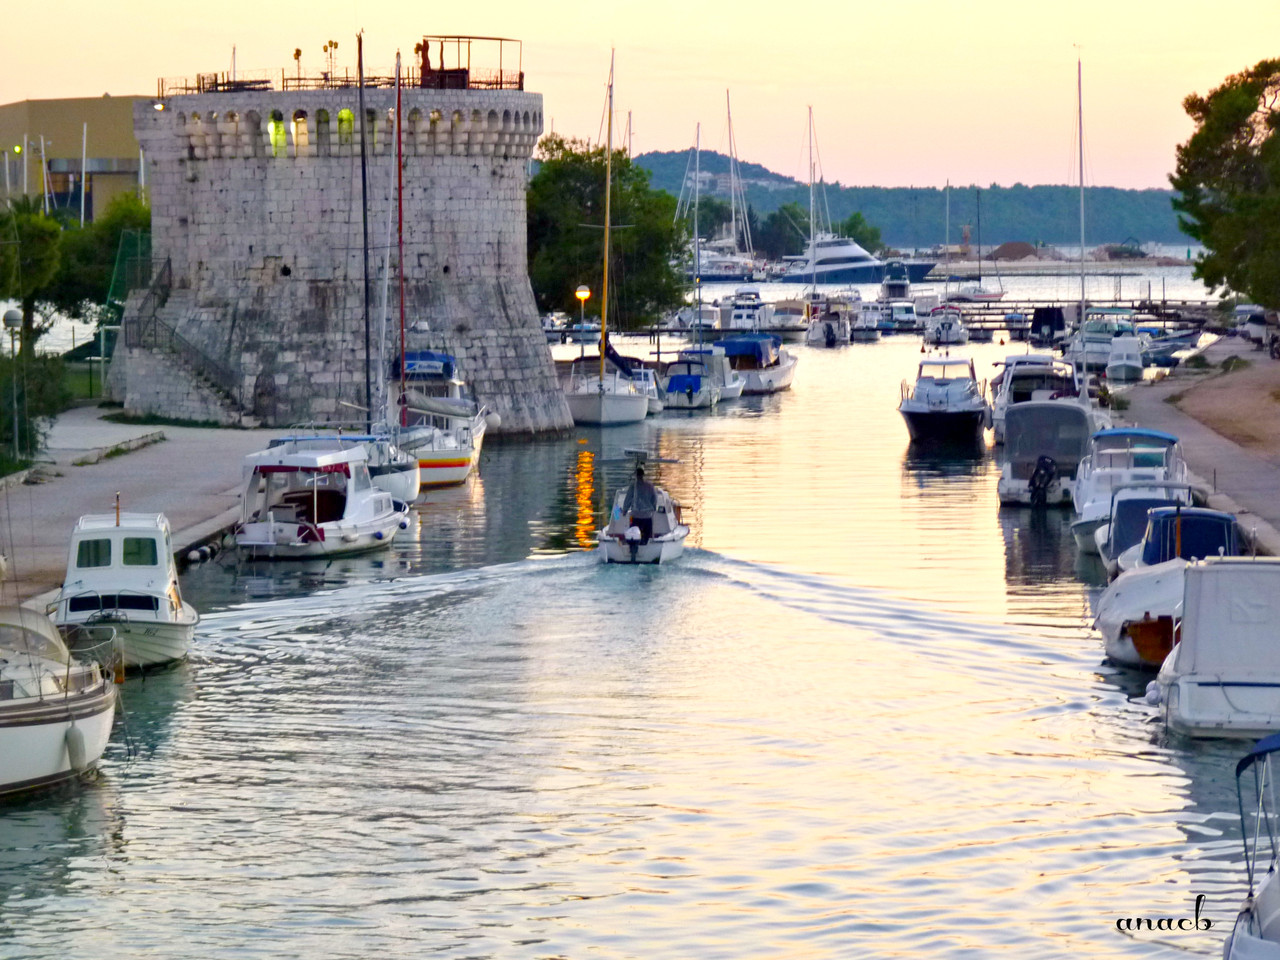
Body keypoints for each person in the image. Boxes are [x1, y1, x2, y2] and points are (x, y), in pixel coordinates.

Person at [621, 465, 657, 541]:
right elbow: (654, 499)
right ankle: (646, 543)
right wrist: (654, 508)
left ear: (636, 475)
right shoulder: (650, 486)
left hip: (635, 516)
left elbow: (628, 499)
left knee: (633, 535)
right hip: (647, 516)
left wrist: (624, 511)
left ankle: (634, 545)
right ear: (643, 475)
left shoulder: (633, 486)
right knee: (647, 535)